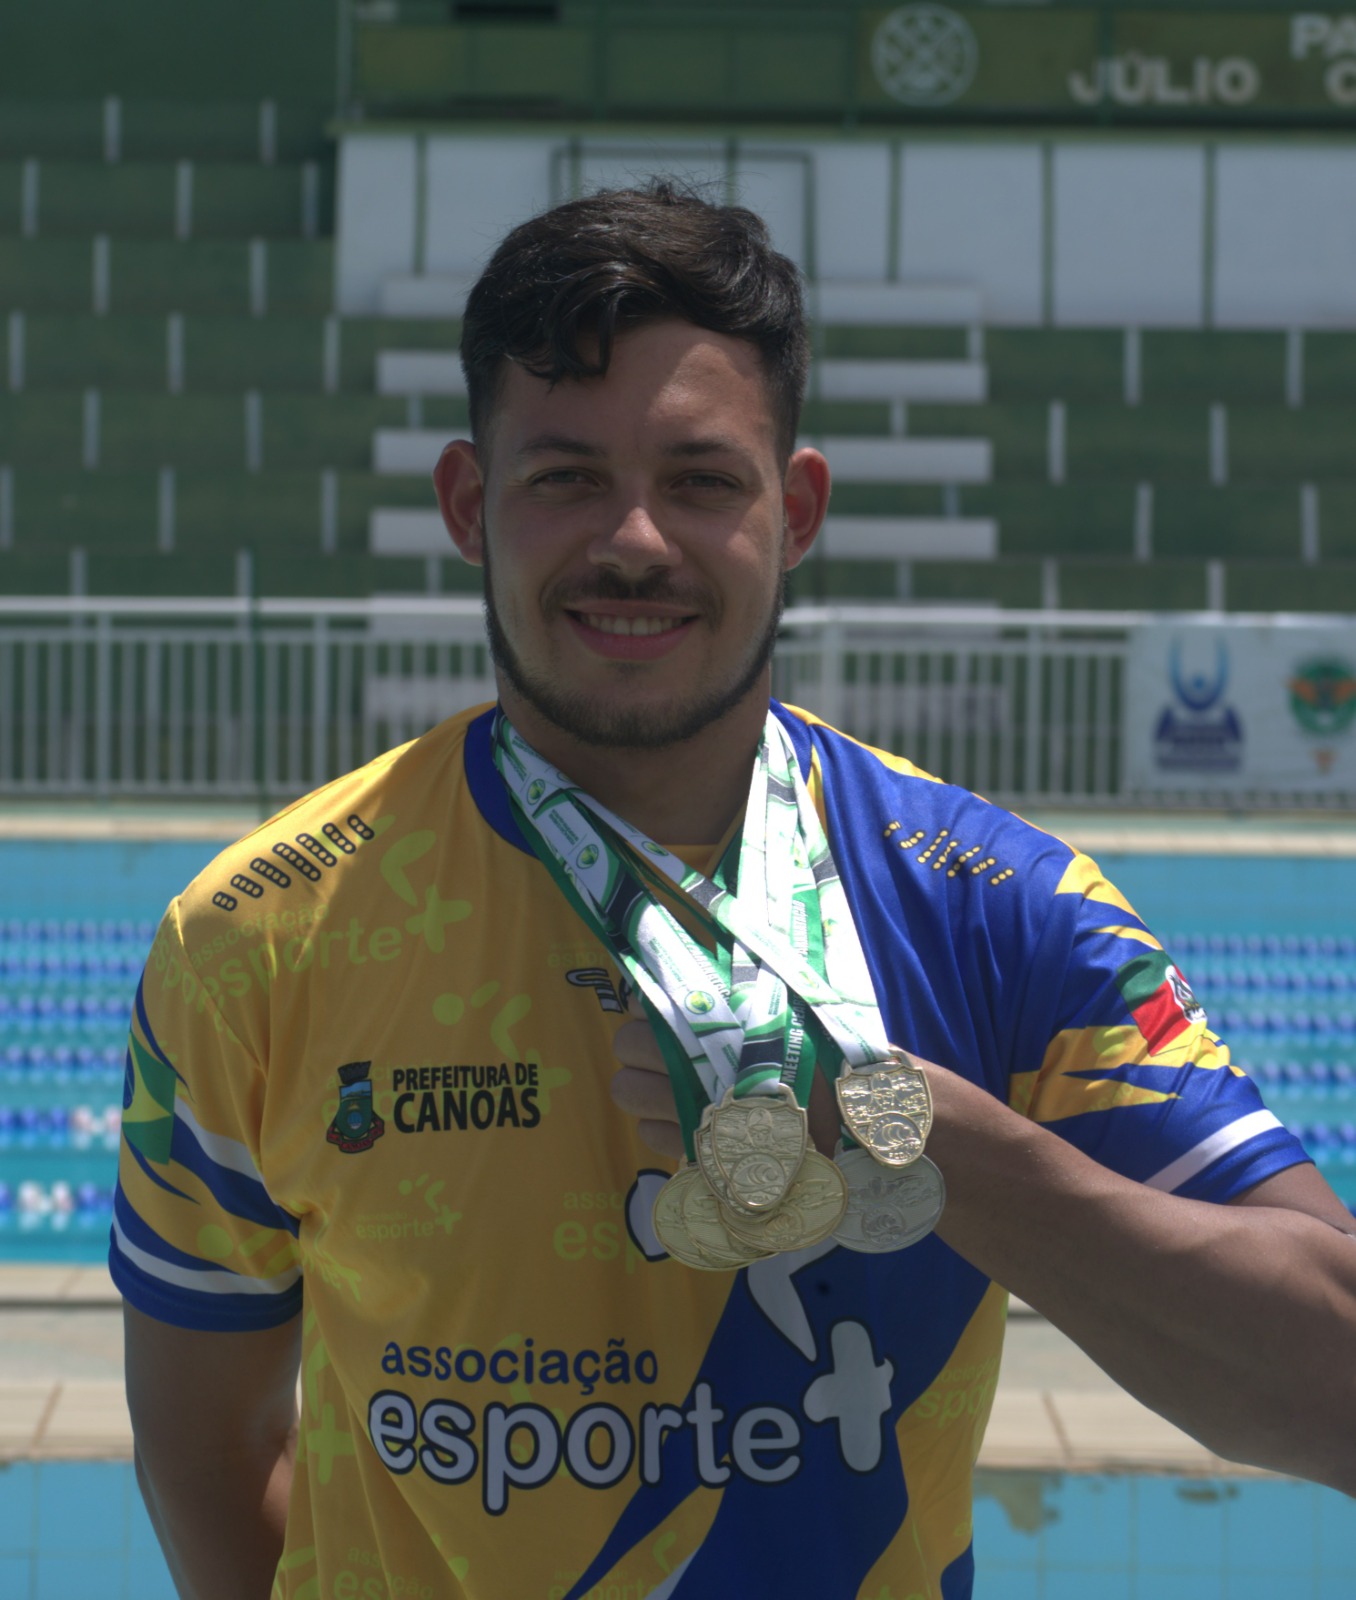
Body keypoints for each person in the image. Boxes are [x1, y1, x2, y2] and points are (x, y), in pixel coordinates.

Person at [114, 182, 1356, 1600]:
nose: (634, 540)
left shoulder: (995, 906)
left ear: (797, 508)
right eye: (565, 477)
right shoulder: (259, 939)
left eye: (702, 480)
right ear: (468, 504)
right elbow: (207, 1449)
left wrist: (924, 1138)